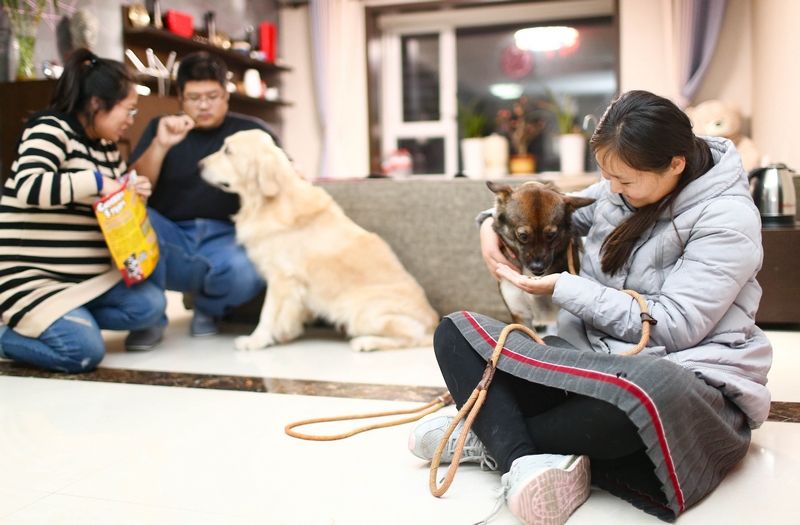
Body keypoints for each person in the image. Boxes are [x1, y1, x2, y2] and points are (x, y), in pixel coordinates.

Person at [408, 90, 772, 524]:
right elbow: (547, 209)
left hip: (682, 375)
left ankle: (492, 437)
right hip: (587, 362)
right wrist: (490, 223)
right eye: (605, 174)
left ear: (675, 164)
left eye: (625, 180)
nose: (611, 190)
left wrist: (565, 287)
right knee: (456, 332)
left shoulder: (727, 219)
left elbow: (674, 326)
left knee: (636, 401)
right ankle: (529, 455)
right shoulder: (619, 191)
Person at [0, 48, 167, 372]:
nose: (131, 121)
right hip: (33, 279)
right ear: (96, 104)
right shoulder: (50, 129)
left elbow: (107, 201)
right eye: (128, 110)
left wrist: (130, 195)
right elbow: (29, 186)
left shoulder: (106, 148)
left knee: (151, 305)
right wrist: (97, 181)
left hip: (88, 280)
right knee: (82, 352)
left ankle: (68, 319)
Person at [128, 51, 280, 338]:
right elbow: (135, 188)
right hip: (169, 236)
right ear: (180, 98)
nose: (204, 105)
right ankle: (149, 318)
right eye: (194, 98)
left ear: (226, 95)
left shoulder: (252, 132)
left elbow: (280, 181)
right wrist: (160, 146)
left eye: (212, 96)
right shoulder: (162, 127)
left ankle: (208, 310)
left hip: (228, 239)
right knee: (131, 216)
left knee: (250, 270)